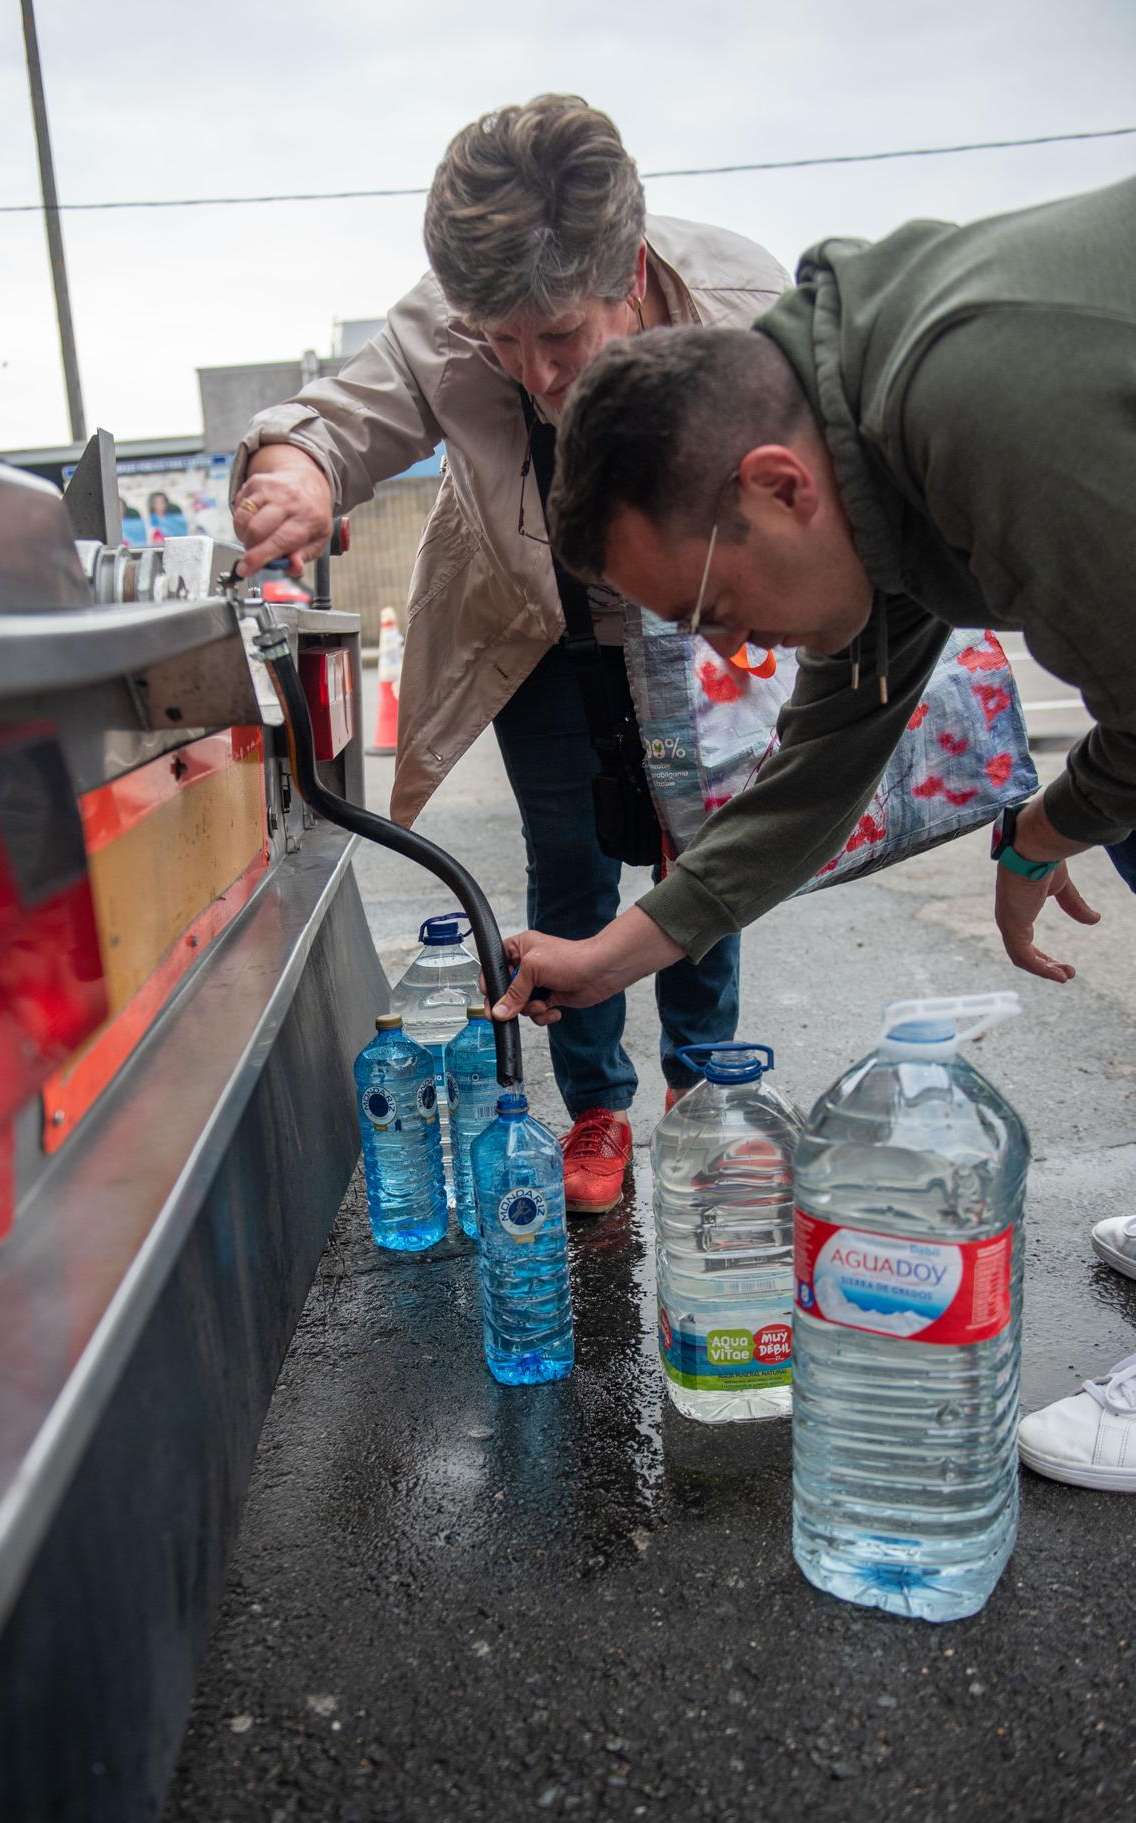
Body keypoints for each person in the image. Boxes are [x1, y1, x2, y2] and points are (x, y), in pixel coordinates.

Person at [491, 173, 1136, 1485]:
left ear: (775, 487)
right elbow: (820, 761)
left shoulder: (982, 409)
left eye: (715, 609)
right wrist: (609, 956)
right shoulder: (860, 449)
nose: (728, 652)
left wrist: (1052, 822)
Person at [229, 95, 790, 1213]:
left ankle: (698, 1091)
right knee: (569, 865)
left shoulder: (746, 307)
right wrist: (297, 468)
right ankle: (596, 1108)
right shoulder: (450, 316)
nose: (533, 371)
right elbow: (342, 417)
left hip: (688, 622)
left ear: (629, 271)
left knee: (701, 848)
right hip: (536, 623)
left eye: (561, 339)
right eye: (502, 343)